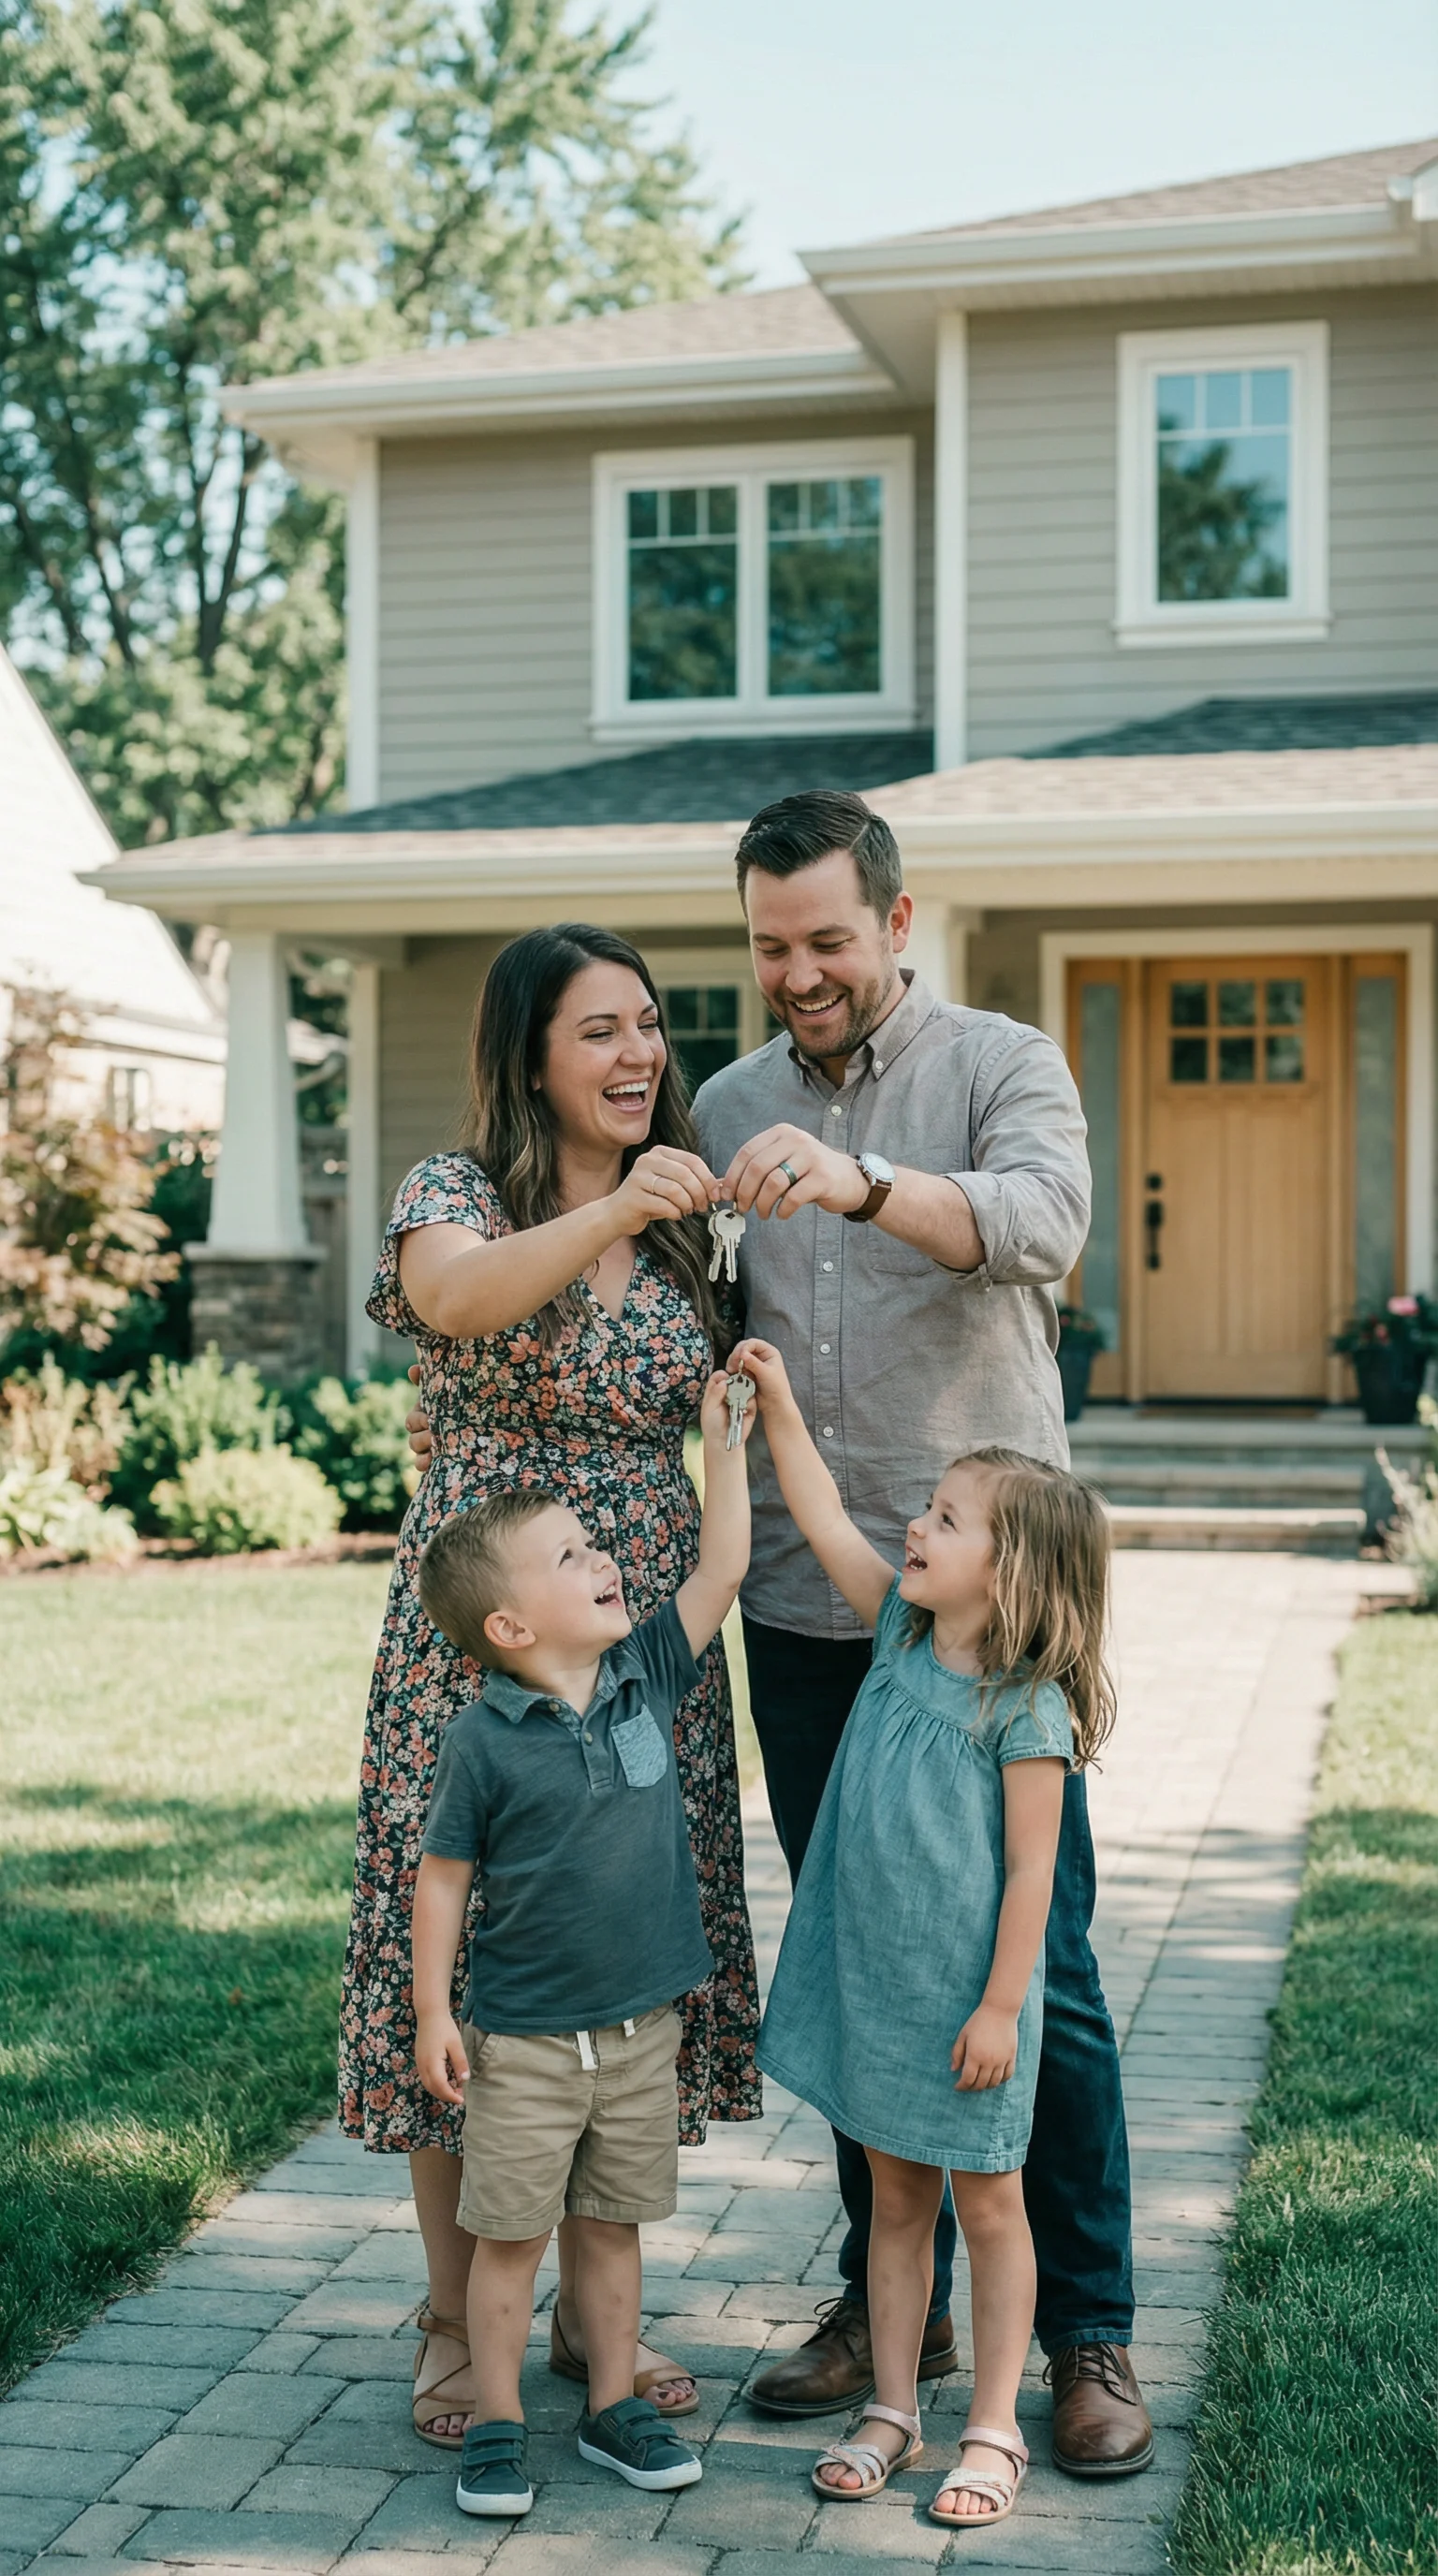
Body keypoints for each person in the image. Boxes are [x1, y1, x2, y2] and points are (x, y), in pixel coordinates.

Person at [692, 790, 1152, 2475]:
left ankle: (1090, 2324)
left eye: (824, 938)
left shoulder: (1004, 1064)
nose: (796, 970)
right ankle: (895, 2308)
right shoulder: (730, 1098)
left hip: (985, 1618)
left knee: (1050, 1983)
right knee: (857, 1953)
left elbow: (1042, 1227)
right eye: (768, 944)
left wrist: (868, 1180)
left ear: (896, 920)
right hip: (812, 1615)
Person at [344, 923, 760, 2449]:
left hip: (640, 1615)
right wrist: (611, 1213)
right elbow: (458, 1303)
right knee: (484, 1954)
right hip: (486, 1620)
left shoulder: (681, 1208)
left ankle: (596, 2324)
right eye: (600, 1030)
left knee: (612, 1964)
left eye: (649, 1026)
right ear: (531, 1055)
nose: (639, 1053)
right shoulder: (454, 1191)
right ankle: (456, 2316)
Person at [731, 1334, 1114, 2526]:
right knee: (895, 2207)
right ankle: (896, 2406)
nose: (918, 1528)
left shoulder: (1028, 1714)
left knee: (990, 2207)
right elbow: (826, 1513)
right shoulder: (894, 1639)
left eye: (948, 1519)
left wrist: (1003, 2006)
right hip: (880, 1992)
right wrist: (782, 1400)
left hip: (969, 2014)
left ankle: (995, 2427)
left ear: (1010, 1574)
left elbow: (1034, 1877)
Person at [410, 1361, 755, 2517]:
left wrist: (727, 1445)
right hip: (526, 2041)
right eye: (570, 1556)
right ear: (509, 1625)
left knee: (612, 2228)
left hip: (641, 2026)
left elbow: (724, 1567)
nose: (602, 1556)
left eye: (592, 1544)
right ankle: (498, 2421)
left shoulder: (644, 1672)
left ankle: (615, 2404)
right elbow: (443, 1879)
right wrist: (430, 2013)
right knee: (509, 2236)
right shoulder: (483, 1740)